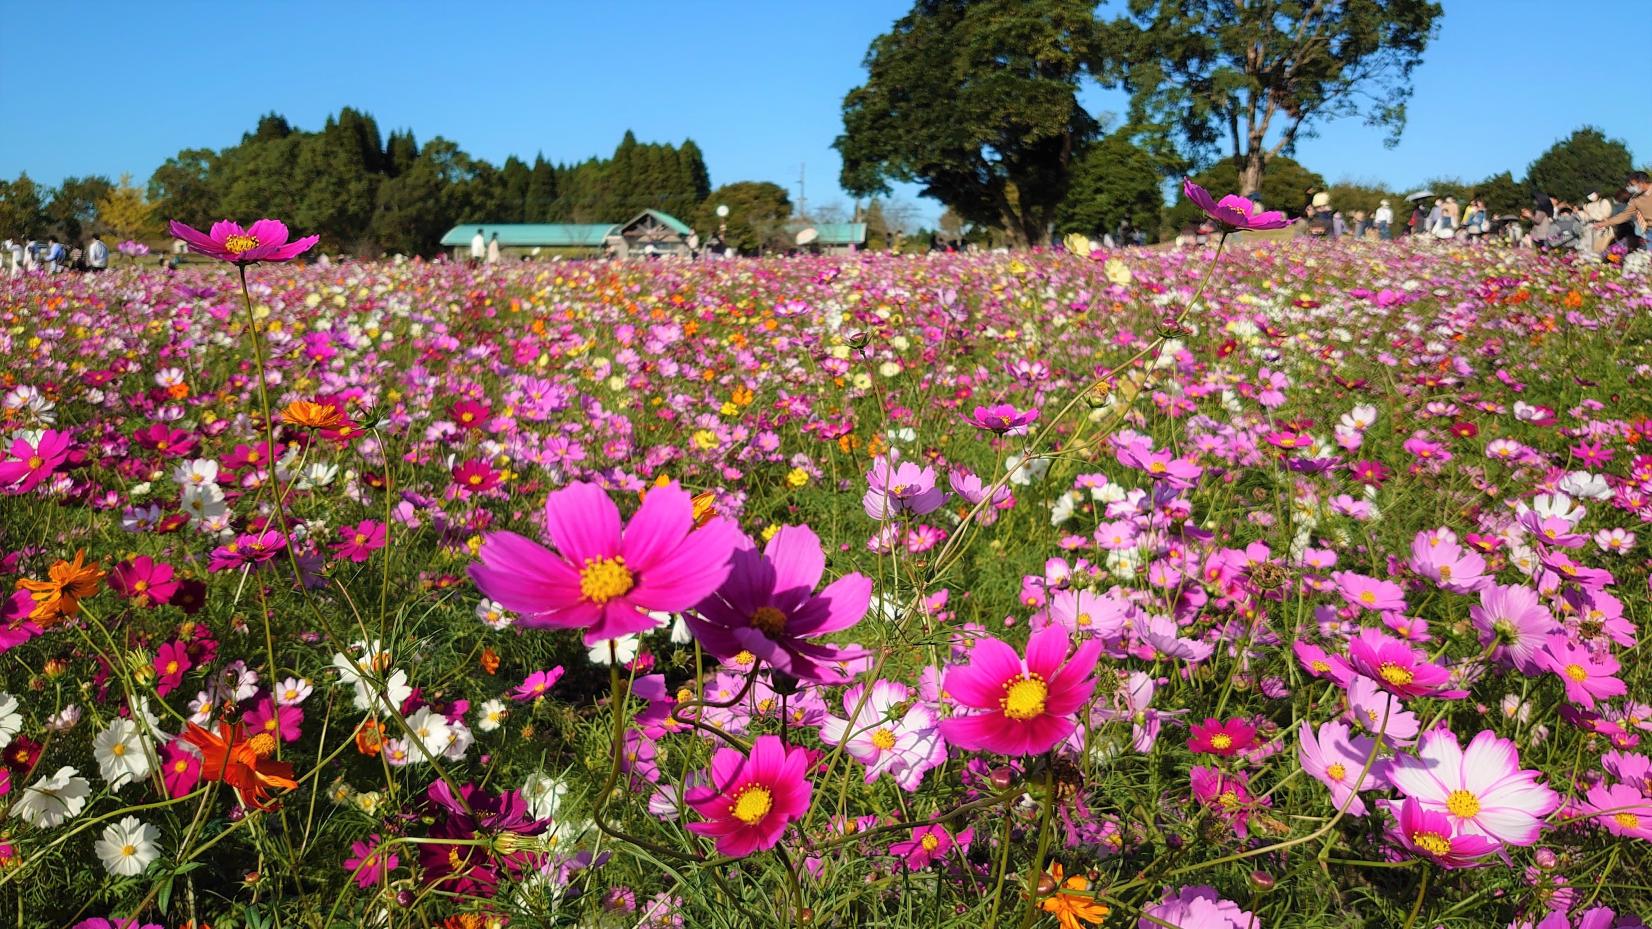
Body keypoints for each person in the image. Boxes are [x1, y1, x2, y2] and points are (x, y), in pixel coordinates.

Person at [1593, 171, 1651, 250]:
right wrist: (1604, 223)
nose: (1630, 187)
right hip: (1649, 232)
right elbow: (1625, 215)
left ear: (1641, 182)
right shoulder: (1635, 199)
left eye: (1632, 185)